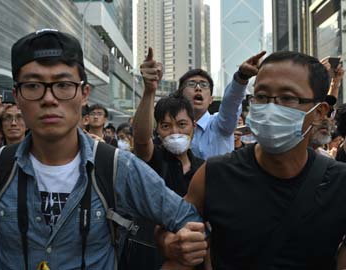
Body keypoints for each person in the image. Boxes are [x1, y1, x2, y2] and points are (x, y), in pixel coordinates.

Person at [0, 29, 207, 269]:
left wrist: (165, 242)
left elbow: (189, 223)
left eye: (63, 84)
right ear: (17, 96)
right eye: (33, 85)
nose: (49, 98)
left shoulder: (117, 167)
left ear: (84, 94)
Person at [163, 51, 346, 269]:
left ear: (319, 112)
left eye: (287, 98)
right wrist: (168, 243)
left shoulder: (339, 183)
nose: (271, 108)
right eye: (261, 96)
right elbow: (173, 232)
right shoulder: (215, 174)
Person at [132, 48, 205, 269]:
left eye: (181, 124)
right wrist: (149, 91)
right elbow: (141, 139)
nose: (175, 131)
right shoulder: (155, 159)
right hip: (152, 255)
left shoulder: (204, 169)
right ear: (158, 131)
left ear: (193, 126)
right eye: (166, 126)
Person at [174, 51, 266, 159]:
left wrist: (242, 76)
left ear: (210, 99)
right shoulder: (171, 128)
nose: (198, 88)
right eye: (191, 84)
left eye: (204, 85)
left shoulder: (221, 125)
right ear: (180, 95)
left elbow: (231, 103)